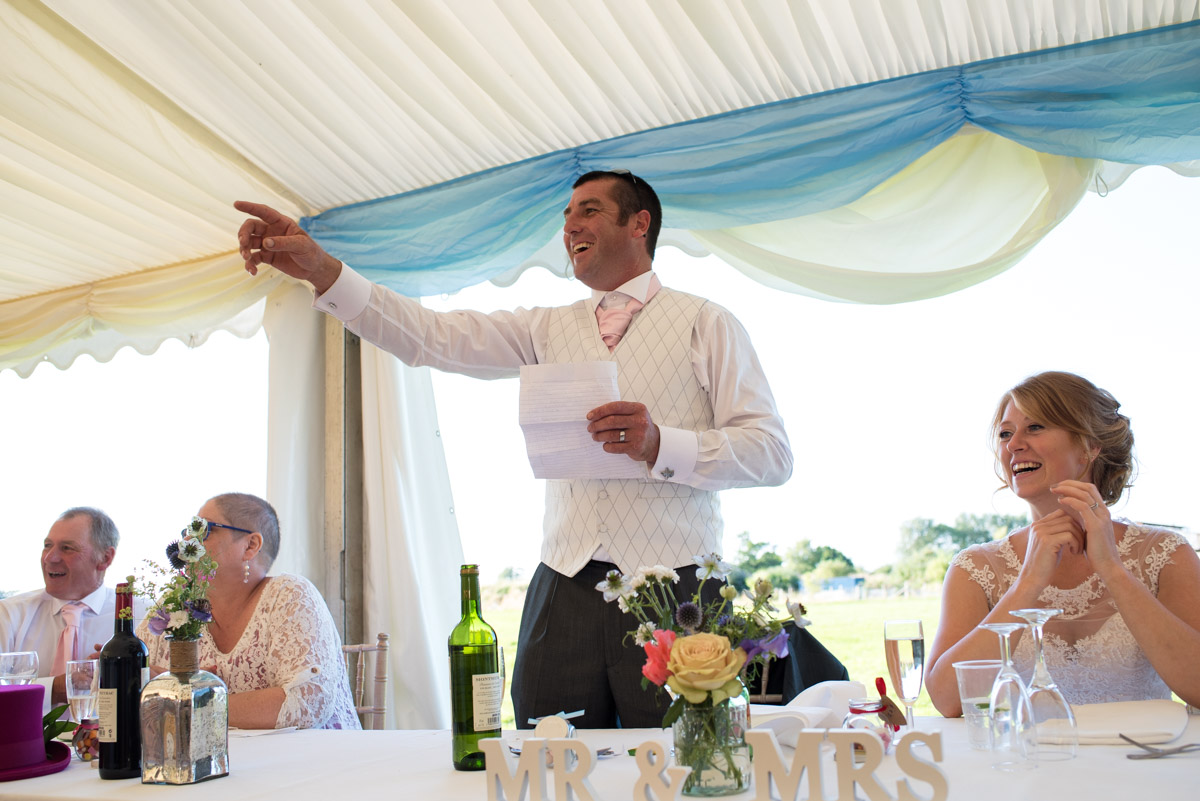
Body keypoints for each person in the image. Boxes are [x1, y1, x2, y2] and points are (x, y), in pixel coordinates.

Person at [234, 170, 793, 727]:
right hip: (564, 583)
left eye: (589, 210)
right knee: (545, 752)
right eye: (567, 215)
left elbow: (770, 452)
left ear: (639, 224)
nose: (570, 224)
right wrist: (324, 273)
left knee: (683, 759)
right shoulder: (545, 328)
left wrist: (659, 445)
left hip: (678, 590)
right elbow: (430, 336)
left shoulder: (707, 322)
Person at [926, 371, 1200, 714]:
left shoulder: (1165, 554)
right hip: (1025, 766)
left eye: (1035, 427)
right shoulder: (976, 568)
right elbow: (948, 701)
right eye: (1006, 433)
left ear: (1089, 445)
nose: (1013, 445)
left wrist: (1112, 569)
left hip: (1145, 763)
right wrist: (1028, 582)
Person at [136, 493, 360, 729]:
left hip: (313, 759)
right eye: (187, 531)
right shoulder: (175, 605)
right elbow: (135, 681)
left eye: (202, 529)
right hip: (215, 762)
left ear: (250, 546)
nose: (186, 542)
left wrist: (187, 700)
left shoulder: (290, 595)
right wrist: (108, 672)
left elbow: (306, 704)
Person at [0, 507, 129, 714]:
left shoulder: (142, 619)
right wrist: (55, 688)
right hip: (23, 744)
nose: (50, 558)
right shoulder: (9, 615)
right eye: (47, 546)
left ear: (105, 558)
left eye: (67, 548)